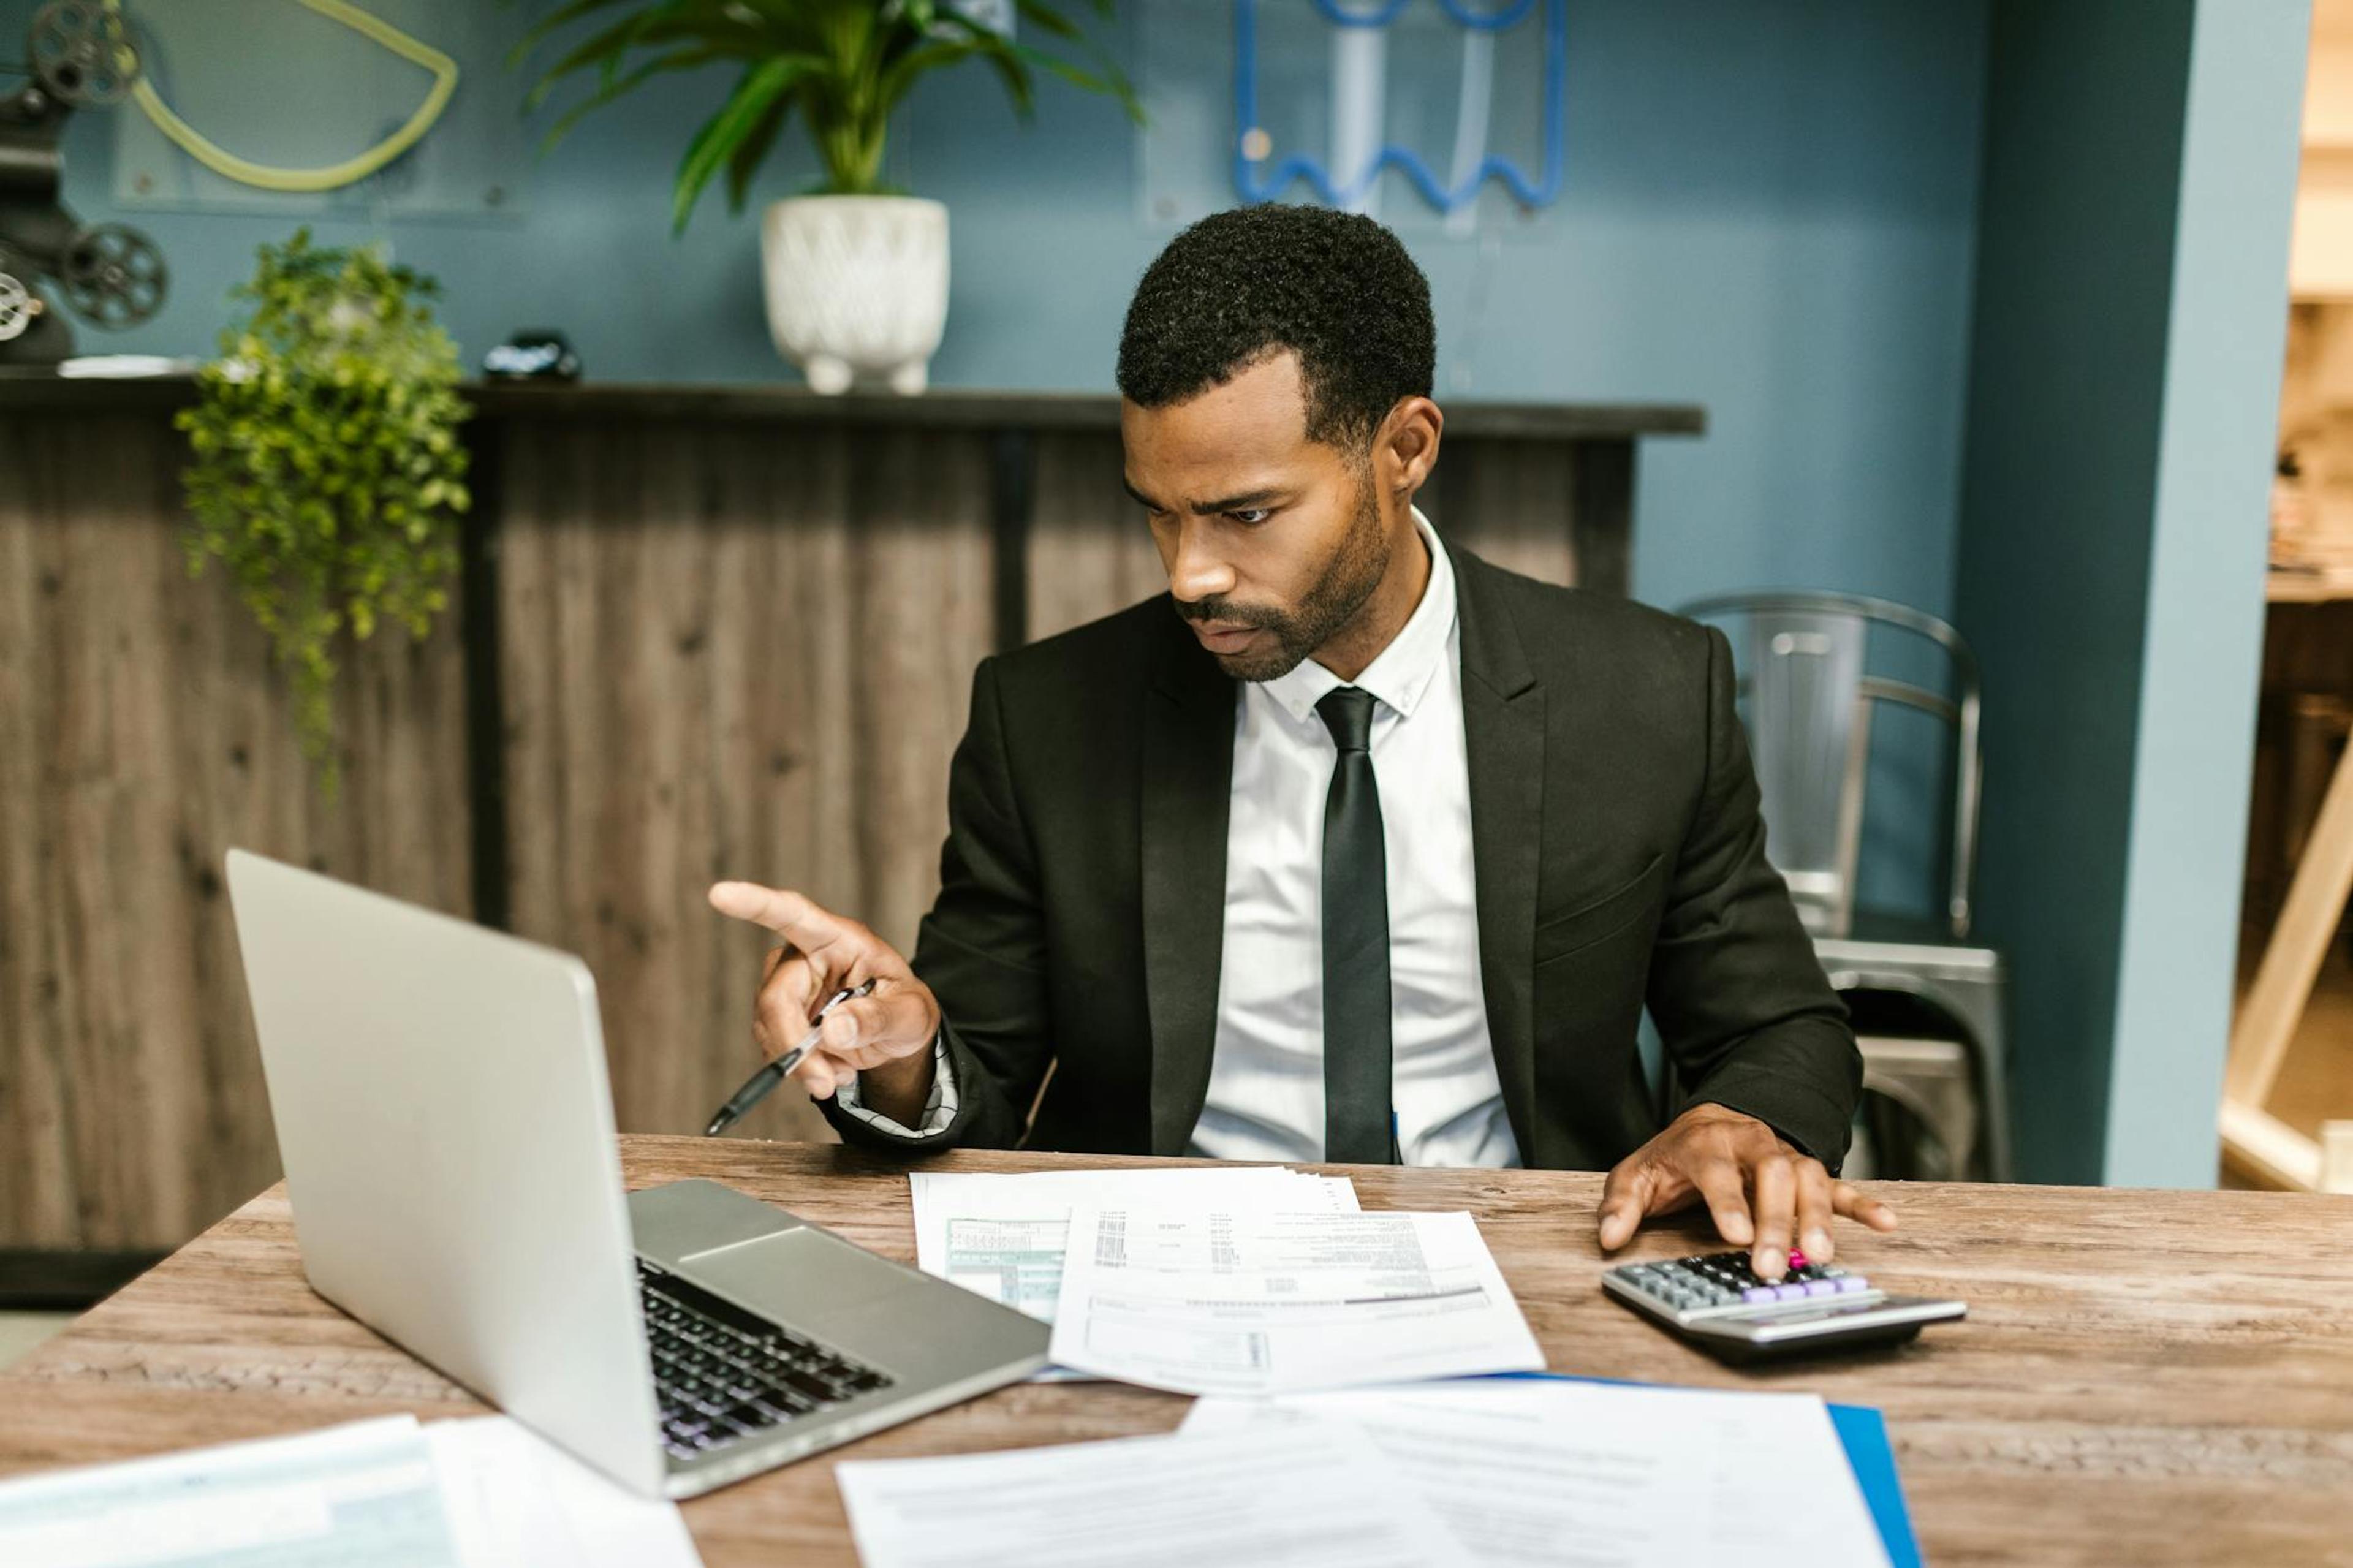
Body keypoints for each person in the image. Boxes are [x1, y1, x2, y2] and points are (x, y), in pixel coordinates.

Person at [710, 204, 1893, 1281]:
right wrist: (900, 1052)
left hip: (1537, 1264)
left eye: (1246, 513)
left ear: (1406, 449)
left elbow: (1776, 1024)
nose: (1192, 573)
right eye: (1159, 514)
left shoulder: (1641, 694)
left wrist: (1750, 1123)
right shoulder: (1051, 717)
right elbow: (979, 1080)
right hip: (1163, 1279)